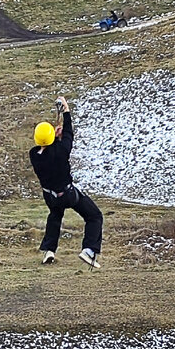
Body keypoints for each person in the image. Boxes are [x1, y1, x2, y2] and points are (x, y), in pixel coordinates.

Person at [30, 97, 103, 269]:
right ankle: (89, 250)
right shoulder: (61, 151)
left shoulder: (34, 155)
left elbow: (47, 148)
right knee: (94, 216)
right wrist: (66, 111)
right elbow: (69, 134)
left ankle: (49, 250)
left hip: (50, 195)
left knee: (55, 217)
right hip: (68, 194)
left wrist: (54, 138)